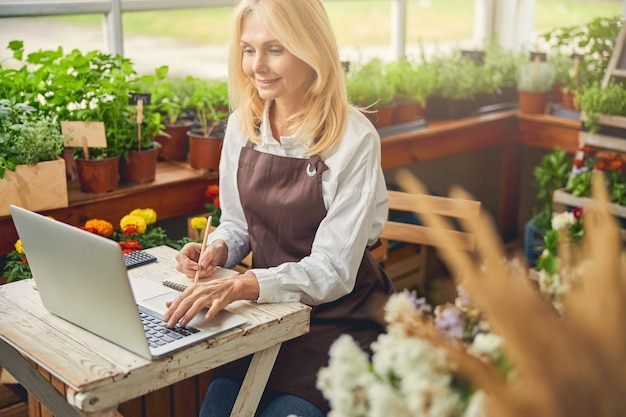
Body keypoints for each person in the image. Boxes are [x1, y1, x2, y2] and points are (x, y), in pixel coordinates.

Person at [163, 0, 395, 415]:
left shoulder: (354, 139)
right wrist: (219, 248)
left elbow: (332, 270)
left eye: (275, 48)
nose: (257, 66)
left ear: (312, 49)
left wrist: (239, 284)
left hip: (339, 320)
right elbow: (238, 222)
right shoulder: (242, 125)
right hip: (263, 316)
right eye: (249, 49)